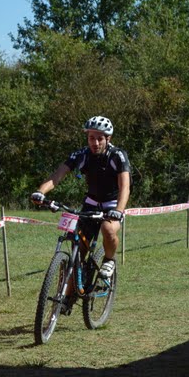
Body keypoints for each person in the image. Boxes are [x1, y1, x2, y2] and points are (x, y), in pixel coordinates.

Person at [30, 116, 130, 279]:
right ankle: (67, 299)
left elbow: (124, 186)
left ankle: (109, 260)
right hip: (90, 203)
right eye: (91, 138)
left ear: (108, 138)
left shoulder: (117, 155)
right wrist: (41, 192)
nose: (95, 143)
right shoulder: (81, 155)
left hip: (112, 205)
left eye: (99, 138)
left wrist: (119, 210)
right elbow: (57, 176)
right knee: (77, 254)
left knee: (108, 228)